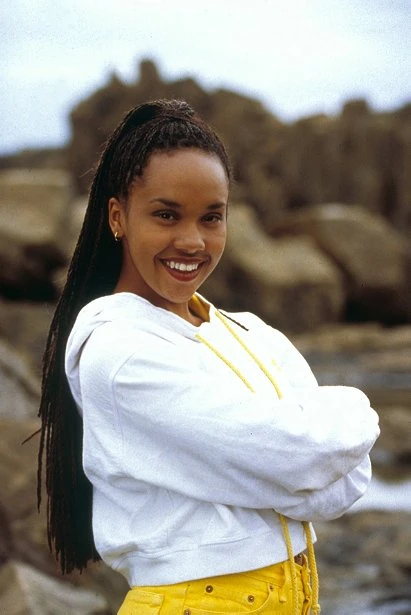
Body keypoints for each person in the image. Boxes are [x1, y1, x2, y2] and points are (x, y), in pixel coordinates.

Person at [37, 99, 379, 615]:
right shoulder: (119, 350)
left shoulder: (250, 331)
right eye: (166, 215)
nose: (192, 241)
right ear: (117, 217)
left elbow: (344, 481)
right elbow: (303, 459)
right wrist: (358, 411)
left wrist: (293, 467)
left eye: (211, 217)